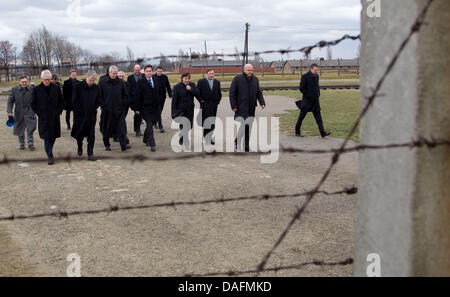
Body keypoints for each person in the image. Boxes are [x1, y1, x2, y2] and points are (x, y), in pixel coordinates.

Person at [229, 64, 265, 152]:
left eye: (252, 70)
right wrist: (233, 106)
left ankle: (246, 147)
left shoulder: (255, 79)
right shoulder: (237, 79)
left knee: (248, 127)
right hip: (241, 107)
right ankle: (238, 144)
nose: (251, 72)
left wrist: (262, 102)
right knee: (245, 125)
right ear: (244, 70)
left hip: (251, 108)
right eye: (249, 70)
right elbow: (232, 93)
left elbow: (258, 92)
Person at [31, 70, 64, 165]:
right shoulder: (36, 89)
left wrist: (58, 111)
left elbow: (61, 101)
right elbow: (33, 104)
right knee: (46, 137)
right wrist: (40, 113)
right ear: (42, 79)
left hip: (54, 117)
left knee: (53, 137)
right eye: (45, 80)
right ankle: (50, 155)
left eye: (48, 80)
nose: (47, 81)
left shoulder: (56, 88)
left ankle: (50, 152)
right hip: (44, 117)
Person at [98, 65, 130, 152]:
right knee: (106, 128)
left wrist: (122, 104)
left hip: (119, 110)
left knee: (121, 128)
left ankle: (123, 145)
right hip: (107, 111)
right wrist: (103, 106)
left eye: (116, 73)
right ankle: (107, 144)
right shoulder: (102, 82)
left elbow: (125, 95)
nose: (115, 75)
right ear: (109, 73)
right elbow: (99, 96)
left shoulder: (120, 82)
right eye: (114, 73)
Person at [71, 70, 100, 161]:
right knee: (80, 133)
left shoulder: (96, 87)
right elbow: (74, 101)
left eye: (94, 80)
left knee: (91, 134)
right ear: (87, 77)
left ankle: (90, 153)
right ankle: (80, 146)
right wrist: (79, 110)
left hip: (91, 115)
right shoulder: (78, 86)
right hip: (80, 115)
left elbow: (98, 100)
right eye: (91, 80)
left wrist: (94, 107)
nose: (92, 82)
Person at [295, 63, 331, 138]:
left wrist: (318, 94)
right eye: (315, 70)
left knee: (318, 118)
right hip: (307, 101)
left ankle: (322, 132)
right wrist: (308, 95)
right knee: (301, 116)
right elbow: (301, 88)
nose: (316, 71)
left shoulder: (317, 76)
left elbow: (316, 86)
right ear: (311, 69)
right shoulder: (305, 77)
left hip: (315, 101)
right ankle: (297, 131)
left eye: (317, 70)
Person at [7, 76, 37, 151]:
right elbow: (10, 101)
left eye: (25, 82)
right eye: (22, 82)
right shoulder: (14, 90)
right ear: (19, 82)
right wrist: (9, 111)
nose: (24, 83)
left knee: (30, 127)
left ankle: (30, 143)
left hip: (29, 111)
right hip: (19, 111)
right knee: (20, 128)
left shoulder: (32, 89)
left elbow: (36, 100)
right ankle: (21, 144)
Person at [135, 65, 160, 151]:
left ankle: (145, 139)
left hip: (155, 107)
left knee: (152, 123)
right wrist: (137, 109)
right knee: (149, 124)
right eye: (147, 71)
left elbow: (158, 93)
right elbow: (137, 96)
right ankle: (152, 144)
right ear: (144, 72)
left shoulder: (156, 80)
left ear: (152, 72)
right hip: (145, 108)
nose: (149, 72)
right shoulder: (140, 82)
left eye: (150, 71)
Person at [171, 72, 200, 146]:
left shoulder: (192, 85)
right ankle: (183, 138)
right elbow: (174, 101)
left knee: (189, 126)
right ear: (182, 79)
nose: (187, 80)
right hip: (181, 109)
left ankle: (182, 134)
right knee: (183, 124)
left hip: (190, 109)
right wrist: (173, 112)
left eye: (188, 78)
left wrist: (191, 89)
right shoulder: (177, 87)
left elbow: (197, 93)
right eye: (185, 78)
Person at [197, 69, 222, 145]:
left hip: (214, 106)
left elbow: (219, 93)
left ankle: (209, 137)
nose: (211, 75)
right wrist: (201, 100)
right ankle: (206, 138)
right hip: (205, 105)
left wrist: (217, 102)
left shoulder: (217, 82)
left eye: (212, 73)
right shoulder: (201, 82)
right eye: (210, 73)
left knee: (212, 123)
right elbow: (198, 93)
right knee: (206, 122)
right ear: (206, 74)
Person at [152, 66, 172, 133]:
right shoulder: (153, 77)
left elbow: (168, 86)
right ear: (156, 71)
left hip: (163, 96)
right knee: (158, 110)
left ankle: (154, 122)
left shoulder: (165, 77)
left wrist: (170, 94)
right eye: (158, 71)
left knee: (160, 110)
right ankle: (160, 126)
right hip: (155, 97)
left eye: (161, 71)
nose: (159, 72)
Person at [127, 64, 145, 137]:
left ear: (140, 70)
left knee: (139, 115)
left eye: (138, 70)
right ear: (134, 70)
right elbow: (129, 89)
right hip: (134, 101)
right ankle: (137, 130)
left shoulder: (143, 76)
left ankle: (137, 128)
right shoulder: (130, 78)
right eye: (136, 70)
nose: (137, 71)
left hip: (143, 100)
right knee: (137, 114)